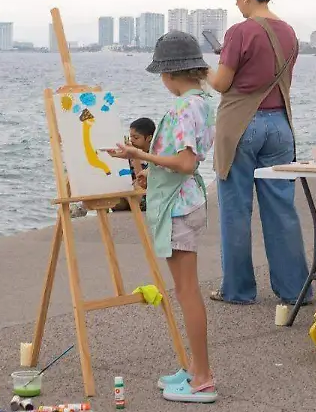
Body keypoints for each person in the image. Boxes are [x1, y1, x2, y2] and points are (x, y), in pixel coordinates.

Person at [106, 31, 217, 403]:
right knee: (187, 291)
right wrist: (150, 172)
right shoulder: (202, 101)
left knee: (187, 292)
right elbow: (188, 160)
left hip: (180, 206)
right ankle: (193, 369)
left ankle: (202, 377)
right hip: (187, 200)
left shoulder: (184, 107)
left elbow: (185, 162)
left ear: (170, 74)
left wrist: (144, 158)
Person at [206, 0, 309, 306]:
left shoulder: (240, 32)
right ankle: (295, 289)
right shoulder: (290, 33)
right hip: (280, 125)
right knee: (281, 209)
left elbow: (222, 83)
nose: (236, 3)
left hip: (241, 126)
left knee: (236, 209)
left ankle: (238, 290)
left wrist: (200, 67)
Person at [113, 118, 154, 212]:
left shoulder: (153, 155)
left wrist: (135, 156)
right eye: (130, 137)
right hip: (130, 189)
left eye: (136, 138)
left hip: (146, 193)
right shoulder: (128, 152)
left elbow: (141, 180)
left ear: (149, 138)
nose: (132, 140)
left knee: (136, 188)